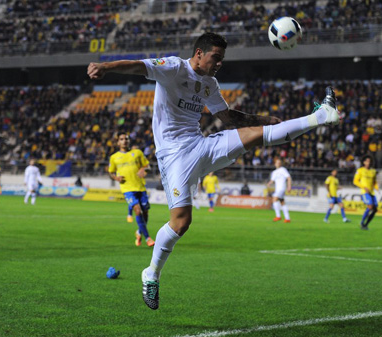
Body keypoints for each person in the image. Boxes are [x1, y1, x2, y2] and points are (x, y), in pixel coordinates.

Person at [87, 32, 342, 310]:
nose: (219, 63)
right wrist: (105, 67)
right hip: (174, 156)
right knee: (181, 223)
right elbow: (138, 66)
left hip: (201, 145)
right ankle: (152, 273)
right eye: (215, 57)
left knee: (260, 135)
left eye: (222, 59)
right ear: (199, 53)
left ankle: (321, 115)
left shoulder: (209, 83)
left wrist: (263, 120)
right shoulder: (173, 67)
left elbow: (227, 117)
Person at [108, 132, 155, 247]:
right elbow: (111, 172)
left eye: (126, 139)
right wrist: (116, 177)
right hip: (127, 189)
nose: (125, 141)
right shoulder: (114, 157)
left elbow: (147, 166)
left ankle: (139, 232)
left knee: (145, 213)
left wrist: (144, 170)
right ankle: (148, 238)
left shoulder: (137, 153)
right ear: (118, 142)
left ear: (129, 141)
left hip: (140, 187)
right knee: (137, 210)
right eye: (122, 139)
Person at [353, 155, 379, 230]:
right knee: (370, 206)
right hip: (364, 192)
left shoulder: (373, 171)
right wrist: (363, 187)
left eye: (370, 161)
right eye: (367, 161)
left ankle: (365, 225)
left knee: (375, 210)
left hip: (372, 193)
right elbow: (355, 181)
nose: (368, 162)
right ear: (364, 162)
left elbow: (374, 182)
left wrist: (377, 187)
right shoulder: (360, 170)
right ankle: (361, 222)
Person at [267, 157, 292, 223]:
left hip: (282, 188)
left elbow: (288, 177)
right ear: (275, 164)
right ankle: (287, 218)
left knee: (274, 199)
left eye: (279, 163)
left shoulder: (283, 170)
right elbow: (272, 180)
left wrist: (289, 186)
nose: (278, 164)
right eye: (277, 162)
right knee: (282, 202)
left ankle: (278, 216)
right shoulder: (274, 172)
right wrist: (269, 183)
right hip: (278, 189)